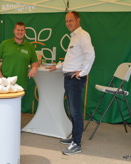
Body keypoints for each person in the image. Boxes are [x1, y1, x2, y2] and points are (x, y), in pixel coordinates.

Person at [46, 11, 95, 155]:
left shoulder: (83, 35)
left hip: (75, 79)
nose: (68, 23)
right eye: (66, 21)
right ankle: (74, 137)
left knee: (75, 112)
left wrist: (83, 71)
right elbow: (71, 60)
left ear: (78, 20)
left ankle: (77, 144)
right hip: (69, 77)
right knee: (72, 111)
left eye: (71, 20)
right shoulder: (74, 37)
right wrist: (57, 66)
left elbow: (90, 54)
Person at [0, 22, 38, 90]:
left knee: (19, 101)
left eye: (22, 30)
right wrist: (0, 76)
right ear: (14, 31)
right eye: (18, 30)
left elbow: (34, 62)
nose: (20, 32)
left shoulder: (30, 47)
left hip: (21, 84)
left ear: (25, 31)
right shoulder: (5, 44)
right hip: (5, 83)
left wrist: (34, 68)